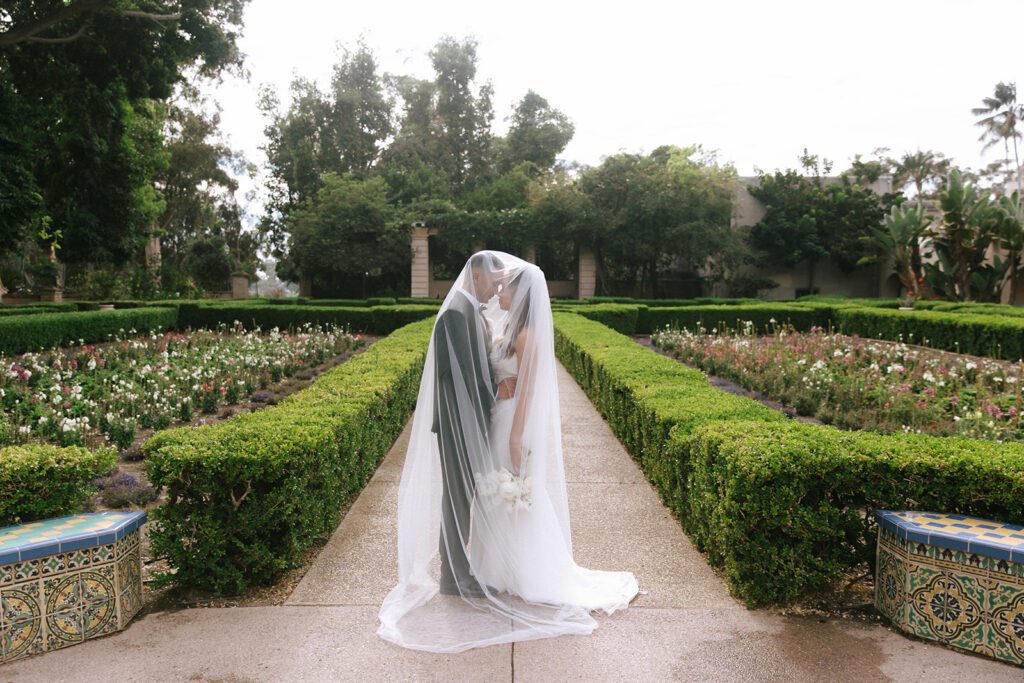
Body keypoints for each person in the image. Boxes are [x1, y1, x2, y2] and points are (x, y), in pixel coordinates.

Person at [378, 250, 638, 653]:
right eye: (495, 281)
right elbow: (465, 375)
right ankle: (467, 572)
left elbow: (518, 382)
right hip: (477, 421)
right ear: (478, 275)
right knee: (472, 495)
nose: (498, 288)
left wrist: (514, 432)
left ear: (519, 293)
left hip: (502, 422)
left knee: (491, 493)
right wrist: (497, 389)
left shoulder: (512, 328)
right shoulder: (460, 314)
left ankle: (504, 568)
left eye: (505, 285)